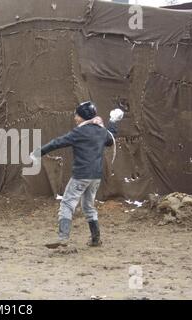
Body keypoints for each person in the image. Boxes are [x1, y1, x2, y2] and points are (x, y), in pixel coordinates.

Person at [30, 101, 124, 248]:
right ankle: (95, 239)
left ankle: (63, 238)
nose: (75, 117)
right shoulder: (101, 131)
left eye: (77, 115)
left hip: (81, 175)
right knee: (88, 206)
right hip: (96, 177)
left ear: (83, 117)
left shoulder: (79, 132)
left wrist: (39, 152)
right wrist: (113, 121)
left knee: (67, 204)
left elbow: (57, 142)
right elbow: (111, 138)